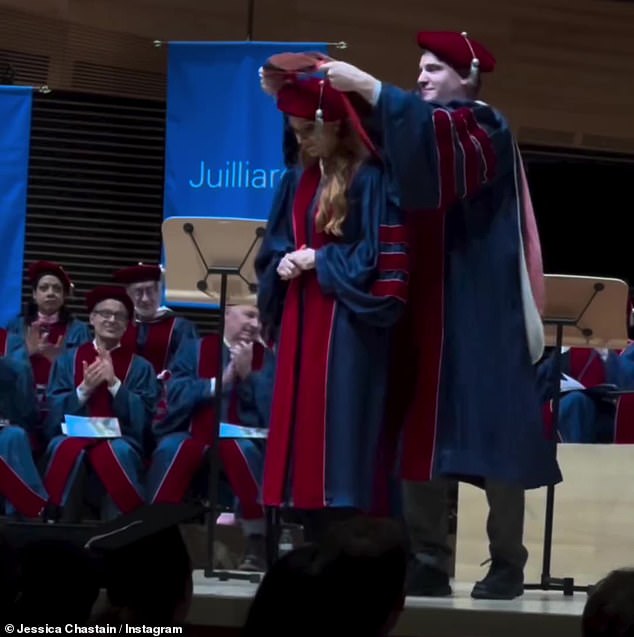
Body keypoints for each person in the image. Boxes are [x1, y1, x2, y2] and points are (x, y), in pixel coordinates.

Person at [320, 31, 562, 598]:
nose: (422, 77)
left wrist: (372, 86)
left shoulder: (486, 127)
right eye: (419, 69)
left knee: (496, 432)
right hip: (425, 302)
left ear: (467, 76)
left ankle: (507, 562)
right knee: (418, 432)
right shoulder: (418, 125)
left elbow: (434, 145)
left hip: (483, 308)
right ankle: (428, 555)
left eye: (433, 68)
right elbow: (386, 139)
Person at [256, 56, 409, 539]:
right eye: (295, 130)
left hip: (346, 323)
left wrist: (320, 261)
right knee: (301, 426)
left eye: (306, 130)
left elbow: (378, 256)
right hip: (303, 317)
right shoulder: (295, 180)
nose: (299, 140)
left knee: (341, 424)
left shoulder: (370, 178)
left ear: (335, 125)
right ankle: (308, 523)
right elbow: (279, 240)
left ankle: (347, 524)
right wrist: (281, 263)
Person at [147, 302, 275, 570]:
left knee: (243, 451)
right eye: (249, 315)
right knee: (173, 450)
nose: (254, 324)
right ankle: (154, 538)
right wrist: (221, 381)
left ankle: (256, 543)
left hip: (246, 436)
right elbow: (174, 392)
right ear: (227, 313)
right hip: (194, 432)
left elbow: (275, 408)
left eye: (259, 319)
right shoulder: (195, 349)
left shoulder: (269, 358)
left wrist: (248, 376)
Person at [43, 285, 159, 520]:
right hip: (72, 435)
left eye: (119, 316)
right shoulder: (67, 361)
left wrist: (115, 384)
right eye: (105, 314)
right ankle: (61, 528)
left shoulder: (141, 367)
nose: (112, 319)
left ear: (127, 325)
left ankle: (117, 531)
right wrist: (84, 389)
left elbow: (146, 418)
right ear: (92, 319)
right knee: (63, 448)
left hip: (121, 438)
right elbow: (51, 413)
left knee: (119, 453)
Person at [5, 261, 91, 433]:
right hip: (22, 402)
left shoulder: (79, 330)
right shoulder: (16, 326)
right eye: (44, 288)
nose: (50, 293)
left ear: (64, 296)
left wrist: (61, 361)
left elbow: (85, 372)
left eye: (57, 289)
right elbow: (4, 372)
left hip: (60, 404)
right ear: (34, 294)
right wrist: (27, 352)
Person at [0, 337, 49, 519]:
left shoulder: (9, 369)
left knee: (15, 436)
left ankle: (25, 512)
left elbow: (22, 415)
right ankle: (35, 507)